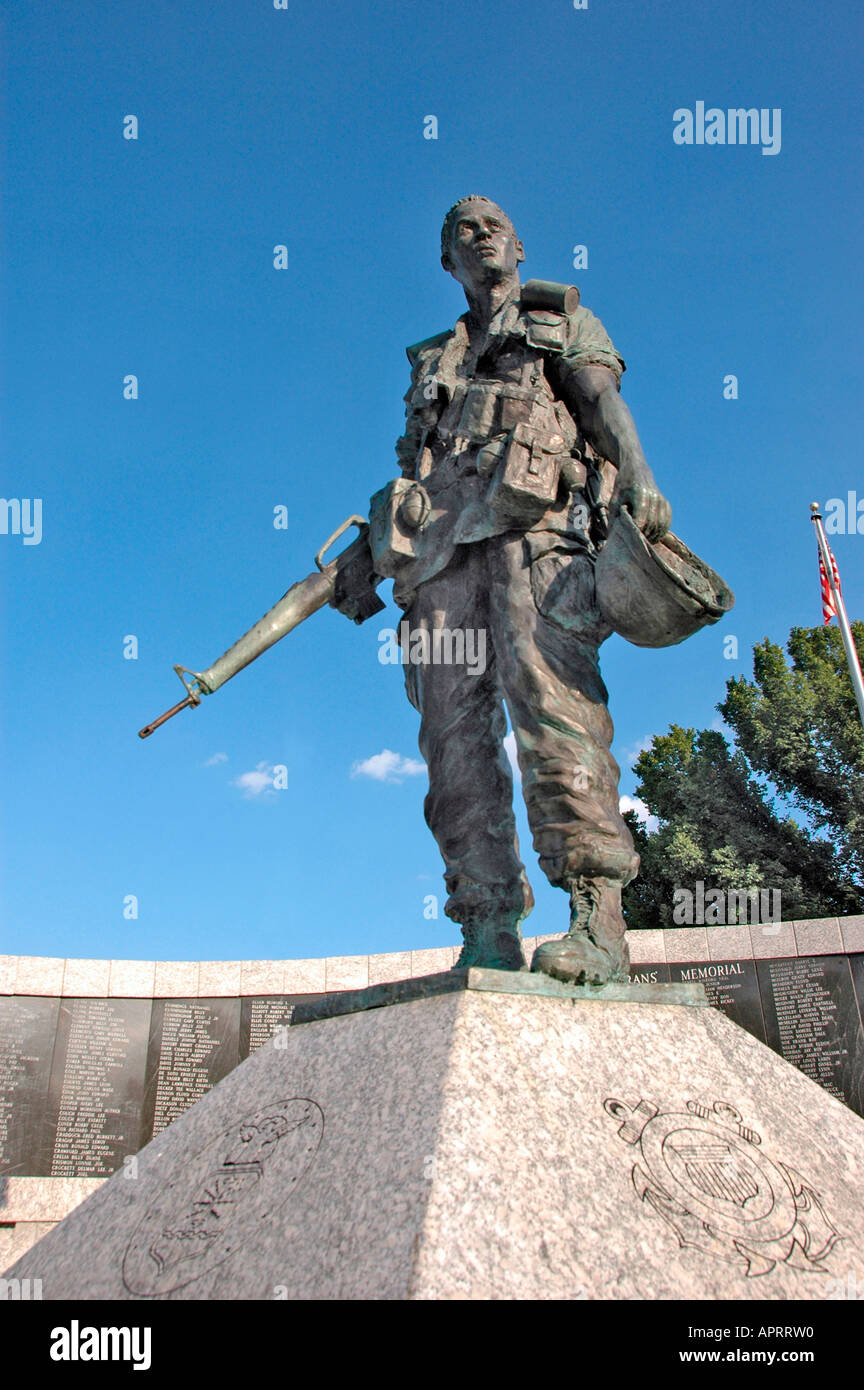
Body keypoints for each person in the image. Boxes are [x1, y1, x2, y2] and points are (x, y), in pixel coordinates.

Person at [392, 195, 672, 985]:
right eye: (459, 233)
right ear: (446, 262)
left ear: (517, 244)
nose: (477, 237)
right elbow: (413, 462)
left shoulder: (558, 318)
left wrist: (640, 479)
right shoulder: (429, 361)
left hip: (536, 532)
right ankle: (485, 922)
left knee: (552, 706)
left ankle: (597, 917)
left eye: (490, 226)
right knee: (450, 733)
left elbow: (601, 403)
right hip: (443, 553)